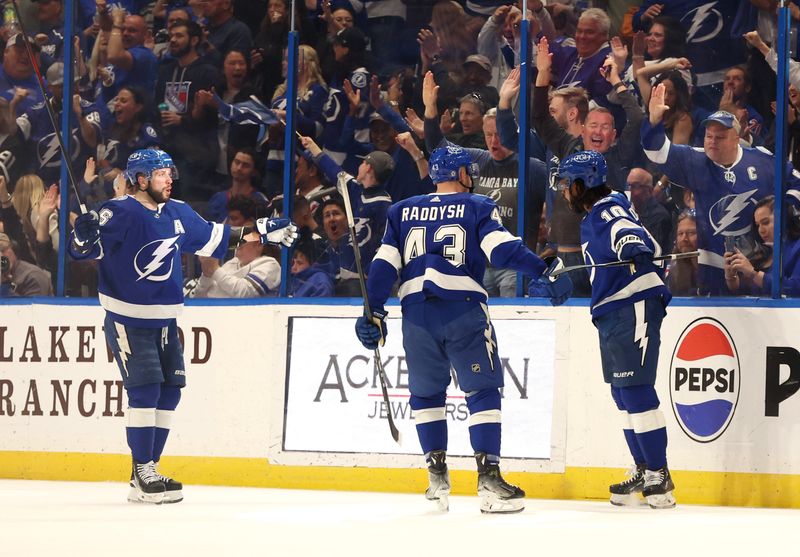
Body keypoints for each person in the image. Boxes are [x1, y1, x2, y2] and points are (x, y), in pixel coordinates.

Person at [67, 148, 298, 505]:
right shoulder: (119, 211)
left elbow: (219, 238)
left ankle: (146, 470)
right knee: (144, 392)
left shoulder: (179, 213)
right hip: (129, 319)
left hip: (166, 319)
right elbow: (83, 251)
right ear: (141, 179)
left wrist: (263, 231)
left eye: (169, 173)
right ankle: (144, 469)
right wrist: (82, 235)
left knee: (170, 391)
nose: (169, 179)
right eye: (161, 174)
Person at [354, 145, 571, 514]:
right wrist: (543, 269)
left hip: (416, 314)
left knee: (425, 394)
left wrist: (372, 312)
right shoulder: (478, 207)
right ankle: (488, 480)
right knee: (483, 390)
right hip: (463, 311)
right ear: (461, 175)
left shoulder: (400, 211)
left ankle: (436, 479)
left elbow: (383, 266)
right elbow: (501, 251)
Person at [556, 150, 675, 509]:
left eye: (566, 184)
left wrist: (631, 245)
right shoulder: (599, 211)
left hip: (632, 304)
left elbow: (628, 233)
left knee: (636, 390)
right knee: (623, 394)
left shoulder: (608, 207)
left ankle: (659, 474)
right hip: (613, 309)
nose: (563, 191)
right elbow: (648, 241)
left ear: (582, 184)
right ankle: (645, 468)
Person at [642, 83, 800, 295]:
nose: (712, 142)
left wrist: (784, 212)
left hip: (761, 266)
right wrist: (654, 122)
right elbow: (657, 153)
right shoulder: (695, 160)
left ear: (736, 139)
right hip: (714, 267)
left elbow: (796, 182)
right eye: (709, 136)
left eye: (720, 137)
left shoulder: (762, 161)